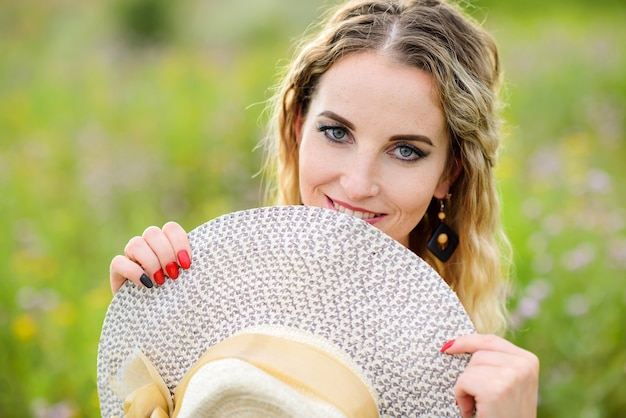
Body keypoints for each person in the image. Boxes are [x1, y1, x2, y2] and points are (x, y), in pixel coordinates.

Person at [109, 0, 539, 416]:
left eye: (406, 150)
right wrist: (144, 331)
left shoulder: (468, 385)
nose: (357, 184)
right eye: (336, 132)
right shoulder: (199, 297)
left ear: (449, 174)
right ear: (299, 128)